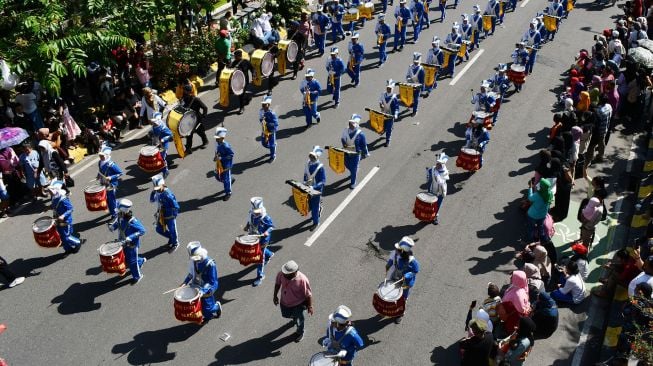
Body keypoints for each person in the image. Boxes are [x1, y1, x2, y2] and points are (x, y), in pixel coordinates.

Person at [273, 260, 314, 342]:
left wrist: (310, 306)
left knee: (300, 319)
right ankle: (295, 318)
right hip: (284, 302)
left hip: (298, 305)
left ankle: (300, 332)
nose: (284, 274)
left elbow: (308, 294)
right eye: (284, 273)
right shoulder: (281, 274)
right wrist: (275, 296)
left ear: (295, 272)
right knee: (285, 314)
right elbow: (277, 284)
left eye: (287, 274)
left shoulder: (302, 279)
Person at [182, 243, 222, 323]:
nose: (194, 260)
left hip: (207, 289)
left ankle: (217, 307)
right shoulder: (194, 261)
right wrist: (185, 282)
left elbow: (212, 282)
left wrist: (202, 291)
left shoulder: (210, 264)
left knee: (208, 308)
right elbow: (191, 273)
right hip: (196, 286)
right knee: (198, 305)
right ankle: (208, 317)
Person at [108, 199, 146, 284]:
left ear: (123, 212)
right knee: (126, 259)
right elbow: (118, 223)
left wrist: (131, 237)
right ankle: (141, 260)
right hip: (122, 242)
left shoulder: (132, 221)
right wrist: (112, 227)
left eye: (119, 211)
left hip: (132, 245)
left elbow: (142, 230)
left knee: (132, 262)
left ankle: (138, 276)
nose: (117, 213)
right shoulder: (120, 217)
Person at [385, 236, 420, 323]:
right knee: (393, 293)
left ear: (403, 252)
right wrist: (388, 265)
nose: (395, 250)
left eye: (397, 249)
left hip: (405, 282)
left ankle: (400, 313)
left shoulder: (412, 261)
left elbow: (416, 270)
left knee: (403, 298)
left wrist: (407, 275)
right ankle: (392, 309)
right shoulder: (396, 253)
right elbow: (391, 259)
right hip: (396, 277)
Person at [47, 180, 84, 254]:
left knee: (67, 236)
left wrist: (63, 216)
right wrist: (50, 207)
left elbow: (71, 209)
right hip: (58, 219)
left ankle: (78, 242)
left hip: (66, 220)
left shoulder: (63, 199)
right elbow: (55, 207)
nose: (49, 193)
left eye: (50, 191)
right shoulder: (54, 197)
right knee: (61, 236)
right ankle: (68, 249)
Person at [245, 197, 275, 287]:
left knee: (259, 259)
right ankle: (269, 254)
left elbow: (272, 226)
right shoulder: (252, 214)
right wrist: (246, 227)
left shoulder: (266, 217)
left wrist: (267, 232)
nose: (255, 213)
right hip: (254, 237)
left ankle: (260, 276)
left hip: (263, 240)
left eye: (257, 212)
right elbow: (249, 222)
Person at [150, 174, 180, 252]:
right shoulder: (157, 192)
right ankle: (170, 237)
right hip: (161, 214)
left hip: (169, 216)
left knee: (173, 230)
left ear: (162, 185)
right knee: (159, 229)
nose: (157, 190)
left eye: (158, 188)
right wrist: (152, 193)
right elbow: (152, 201)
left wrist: (173, 216)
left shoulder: (168, 195)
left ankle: (175, 243)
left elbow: (176, 206)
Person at [341, 115, 369, 189]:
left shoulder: (360, 134)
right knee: (346, 164)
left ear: (356, 124)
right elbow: (343, 138)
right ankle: (354, 170)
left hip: (356, 154)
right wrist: (344, 143)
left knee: (353, 169)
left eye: (353, 123)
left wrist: (366, 153)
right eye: (350, 123)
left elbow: (364, 145)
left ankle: (353, 182)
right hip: (346, 152)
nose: (350, 125)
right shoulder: (345, 130)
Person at [180, 84, 208, 154]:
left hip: (197, 119)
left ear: (189, 92)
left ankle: (205, 141)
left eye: (185, 91)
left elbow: (205, 107)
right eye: (184, 91)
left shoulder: (196, 99)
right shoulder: (183, 99)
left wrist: (204, 116)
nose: (184, 92)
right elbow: (181, 109)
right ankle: (188, 148)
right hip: (188, 120)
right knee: (189, 134)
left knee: (200, 132)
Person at [97, 146, 123, 219]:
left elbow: (120, 173)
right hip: (104, 183)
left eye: (102, 156)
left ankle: (114, 215)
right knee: (107, 199)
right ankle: (117, 206)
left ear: (107, 155)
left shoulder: (111, 164)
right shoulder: (100, 162)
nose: (100, 157)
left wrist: (111, 177)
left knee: (110, 200)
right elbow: (100, 170)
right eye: (100, 155)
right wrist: (98, 176)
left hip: (111, 185)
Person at [304, 146, 326, 230]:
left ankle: (316, 223)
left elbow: (323, 181)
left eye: (313, 157)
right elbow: (305, 174)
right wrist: (304, 182)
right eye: (310, 156)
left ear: (316, 157)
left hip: (316, 190)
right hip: (307, 188)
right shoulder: (307, 163)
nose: (311, 158)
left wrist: (313, 187)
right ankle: (319, 209)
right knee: (309, 205)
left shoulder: (320, 167)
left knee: (314, 208)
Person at [526, 178, 552, 243]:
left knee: (530, 228)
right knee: (541, 227)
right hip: (542, 215)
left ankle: (531, 241)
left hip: (532, 215)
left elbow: (530, 198)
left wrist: (530, 187)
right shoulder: (550, 193)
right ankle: (543, 240)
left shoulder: (538, 195)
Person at [426, 153, 449, 224]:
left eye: (439, 164)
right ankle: (427, 216)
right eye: (437, 164)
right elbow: (428, 176)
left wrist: (437, 174)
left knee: (437, 205)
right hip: (432, 189)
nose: (437, 165)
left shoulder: (445, 172)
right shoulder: (433, 169)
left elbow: (441, 182)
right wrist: (429, 173)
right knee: (430, 204)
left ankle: (435, 216)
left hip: (440, 192)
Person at [149, 112, 172, 178]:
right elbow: (157, 113)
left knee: (162, 158)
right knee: (156, 156)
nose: (153, 124)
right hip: (156, 143)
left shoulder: (163, 128)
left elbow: (170, 135)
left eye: (154, 124)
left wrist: (163, 140)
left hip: (163, 144)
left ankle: (165, 171)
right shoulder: (156, 123)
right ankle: (159, 166)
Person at [214, 127, 235, 201]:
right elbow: (218, 152)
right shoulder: (218, 144)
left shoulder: (226, 146)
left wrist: (221, 158)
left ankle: (228, 192)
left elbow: (231, 155)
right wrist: (216, 157)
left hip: (226, 165)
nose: (216, 139)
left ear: (222, 138)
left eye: (217, 138)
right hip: (220, 164)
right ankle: (230, 180)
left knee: (226, 180)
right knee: (218, 176)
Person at [379, 79, 400, 146]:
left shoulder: (394, 98)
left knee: (389, 129)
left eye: (390, 88)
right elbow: (380, 101)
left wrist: (396, 114)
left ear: (392, 89)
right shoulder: (382, 94)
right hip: (383, 114)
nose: (388, 89)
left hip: (390, 115)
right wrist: (381, 104)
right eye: (387, 88)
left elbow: (397, 107)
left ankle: (388, 140)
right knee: (384, 126)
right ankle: (386, 129)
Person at [259, 96, 278, 162]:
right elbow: (260, 119)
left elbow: (275, 124)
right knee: (264, 143)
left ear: (269, 105)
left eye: (265, 104)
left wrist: (267, 123)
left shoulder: (272, 114)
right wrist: (262, 120)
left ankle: (273, 155)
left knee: (272, 144)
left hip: (271, 131)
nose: (263, 106)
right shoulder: (261, 111)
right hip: (264, 130)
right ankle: (272, 148)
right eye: (262, 104)